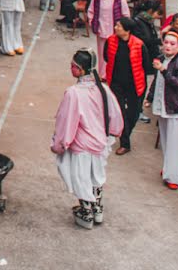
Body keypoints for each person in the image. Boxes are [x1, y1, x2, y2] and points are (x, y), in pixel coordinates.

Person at [51, 48, 123, 229]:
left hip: (82, 145)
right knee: (96, 177)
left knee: (81, 178)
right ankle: (97, 209)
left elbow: (66, 122)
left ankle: (86, 212)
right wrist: (113, 134)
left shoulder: (73, 93)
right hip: (100, 143)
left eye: (73, 66)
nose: (71, 68)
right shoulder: (103, 89)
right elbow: (115, 116)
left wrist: (60, 143)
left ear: (81, 70)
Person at [144, 31, 178, 189]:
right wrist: (150, 97)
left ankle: (174, 177)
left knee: (175, 143)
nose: (168, 46)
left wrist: (163, 70)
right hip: (164, 106)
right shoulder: (161, 59)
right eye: (166, 42)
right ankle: (171, 170)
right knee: (166, 140)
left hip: (177, 108)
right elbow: (157, 82)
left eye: (172, 44)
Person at [103, 18, 151, 155]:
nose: (116, 27)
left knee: (134, 113)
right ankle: (125, 143)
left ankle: (125, 132)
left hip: (135, 84)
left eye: (119, 26)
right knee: (120, 113)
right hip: (116, 83)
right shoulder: (110, 41)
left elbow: (146, 66)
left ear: (127, 30)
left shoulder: (139, 45)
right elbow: (106, 57)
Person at [88, 0, 130, 68]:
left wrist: (122, 29)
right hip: (101, 29)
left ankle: (112, 74)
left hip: (114, 31)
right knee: (102, 53)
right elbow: (91, 11)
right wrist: (92, 23)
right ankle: (102, 75)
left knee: (113, 54)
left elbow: (126, 15)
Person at [130, 0, 162, 125]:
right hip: (140, 60)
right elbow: (143, 40)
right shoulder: (138, 22)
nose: (158, 16)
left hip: (146, 58)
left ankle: (137, 110)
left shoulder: (147, 21)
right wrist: (158, 41)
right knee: (139, 86)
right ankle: (136, 111)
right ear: (150, 11)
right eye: (157, 13)